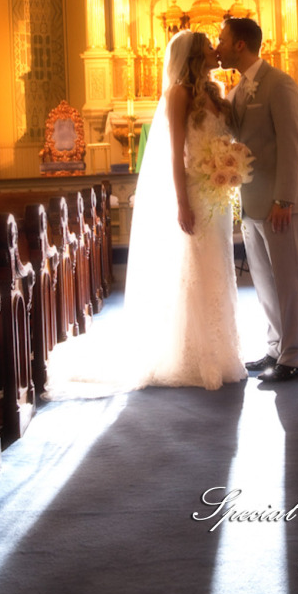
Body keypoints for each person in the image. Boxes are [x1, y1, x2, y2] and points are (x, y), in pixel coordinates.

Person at [45, 29, 248, 396]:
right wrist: (182, 202)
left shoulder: (217, 94)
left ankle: (221, 349)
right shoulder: (178, 94)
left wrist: (229, 165)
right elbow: (175, 153)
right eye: (207, 45)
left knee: (218, 266)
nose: (214, 49)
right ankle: (192, 354)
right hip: (195, 194)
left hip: (216, 194)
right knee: (197, 270)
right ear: (193, 54)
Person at [216, 17, 298, 383]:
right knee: (264, 281)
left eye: (222, 39)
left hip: (282, 205)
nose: (218, 45)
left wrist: (284, 200)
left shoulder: (280, 84)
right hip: (253, 204)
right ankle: (277, 347)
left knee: (290, 281)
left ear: (240, 45)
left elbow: (293, 146)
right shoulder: (239, 89)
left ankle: (297, 354)